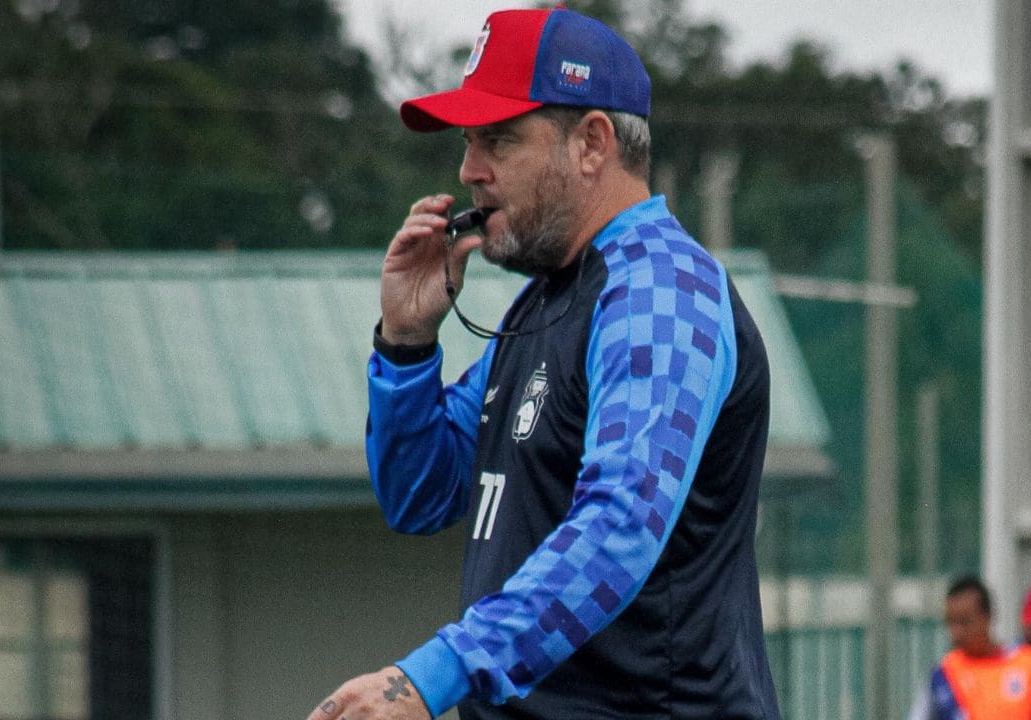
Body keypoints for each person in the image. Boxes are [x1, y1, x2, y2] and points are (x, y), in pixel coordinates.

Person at [307, 6, 780, 720]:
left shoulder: (658, 290)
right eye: (469, 142)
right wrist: (406, 344)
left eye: (498, 140)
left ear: (592, 143)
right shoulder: (543, 303)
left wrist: (434, 674)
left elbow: (620, 523)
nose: (469, 170)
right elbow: (421, 494)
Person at [908, 576, 1031, 720]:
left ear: (988, 617)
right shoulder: (943, 674)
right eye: (951, 623)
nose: (956, 633)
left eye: (964, 622)